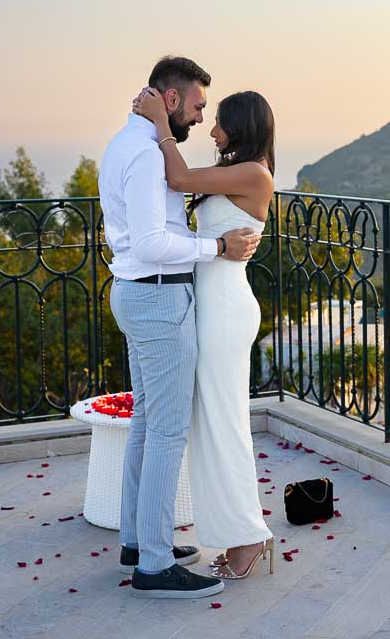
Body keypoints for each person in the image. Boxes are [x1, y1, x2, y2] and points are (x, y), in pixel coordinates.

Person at [98, 56, 260, 599]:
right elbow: (150, 242)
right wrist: (215, 247)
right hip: (160, 299)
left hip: (143, 295)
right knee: (167, 431)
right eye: (196, 105)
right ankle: (154, 563)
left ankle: (137, 540)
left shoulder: (125, 144)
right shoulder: (146, 155)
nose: (202, 118)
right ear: (171, 100)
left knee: (149, 424)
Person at [132, 85, 276, 580]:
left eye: (219, 123)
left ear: (240, 128)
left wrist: (159, 123)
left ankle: (250, 535)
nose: (211, 130)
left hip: (226, 311)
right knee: (210, 423)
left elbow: (178, 177)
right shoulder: (236, 174)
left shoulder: (254, 173)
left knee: (225, 422)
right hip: (209, 306)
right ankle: (239, 533)